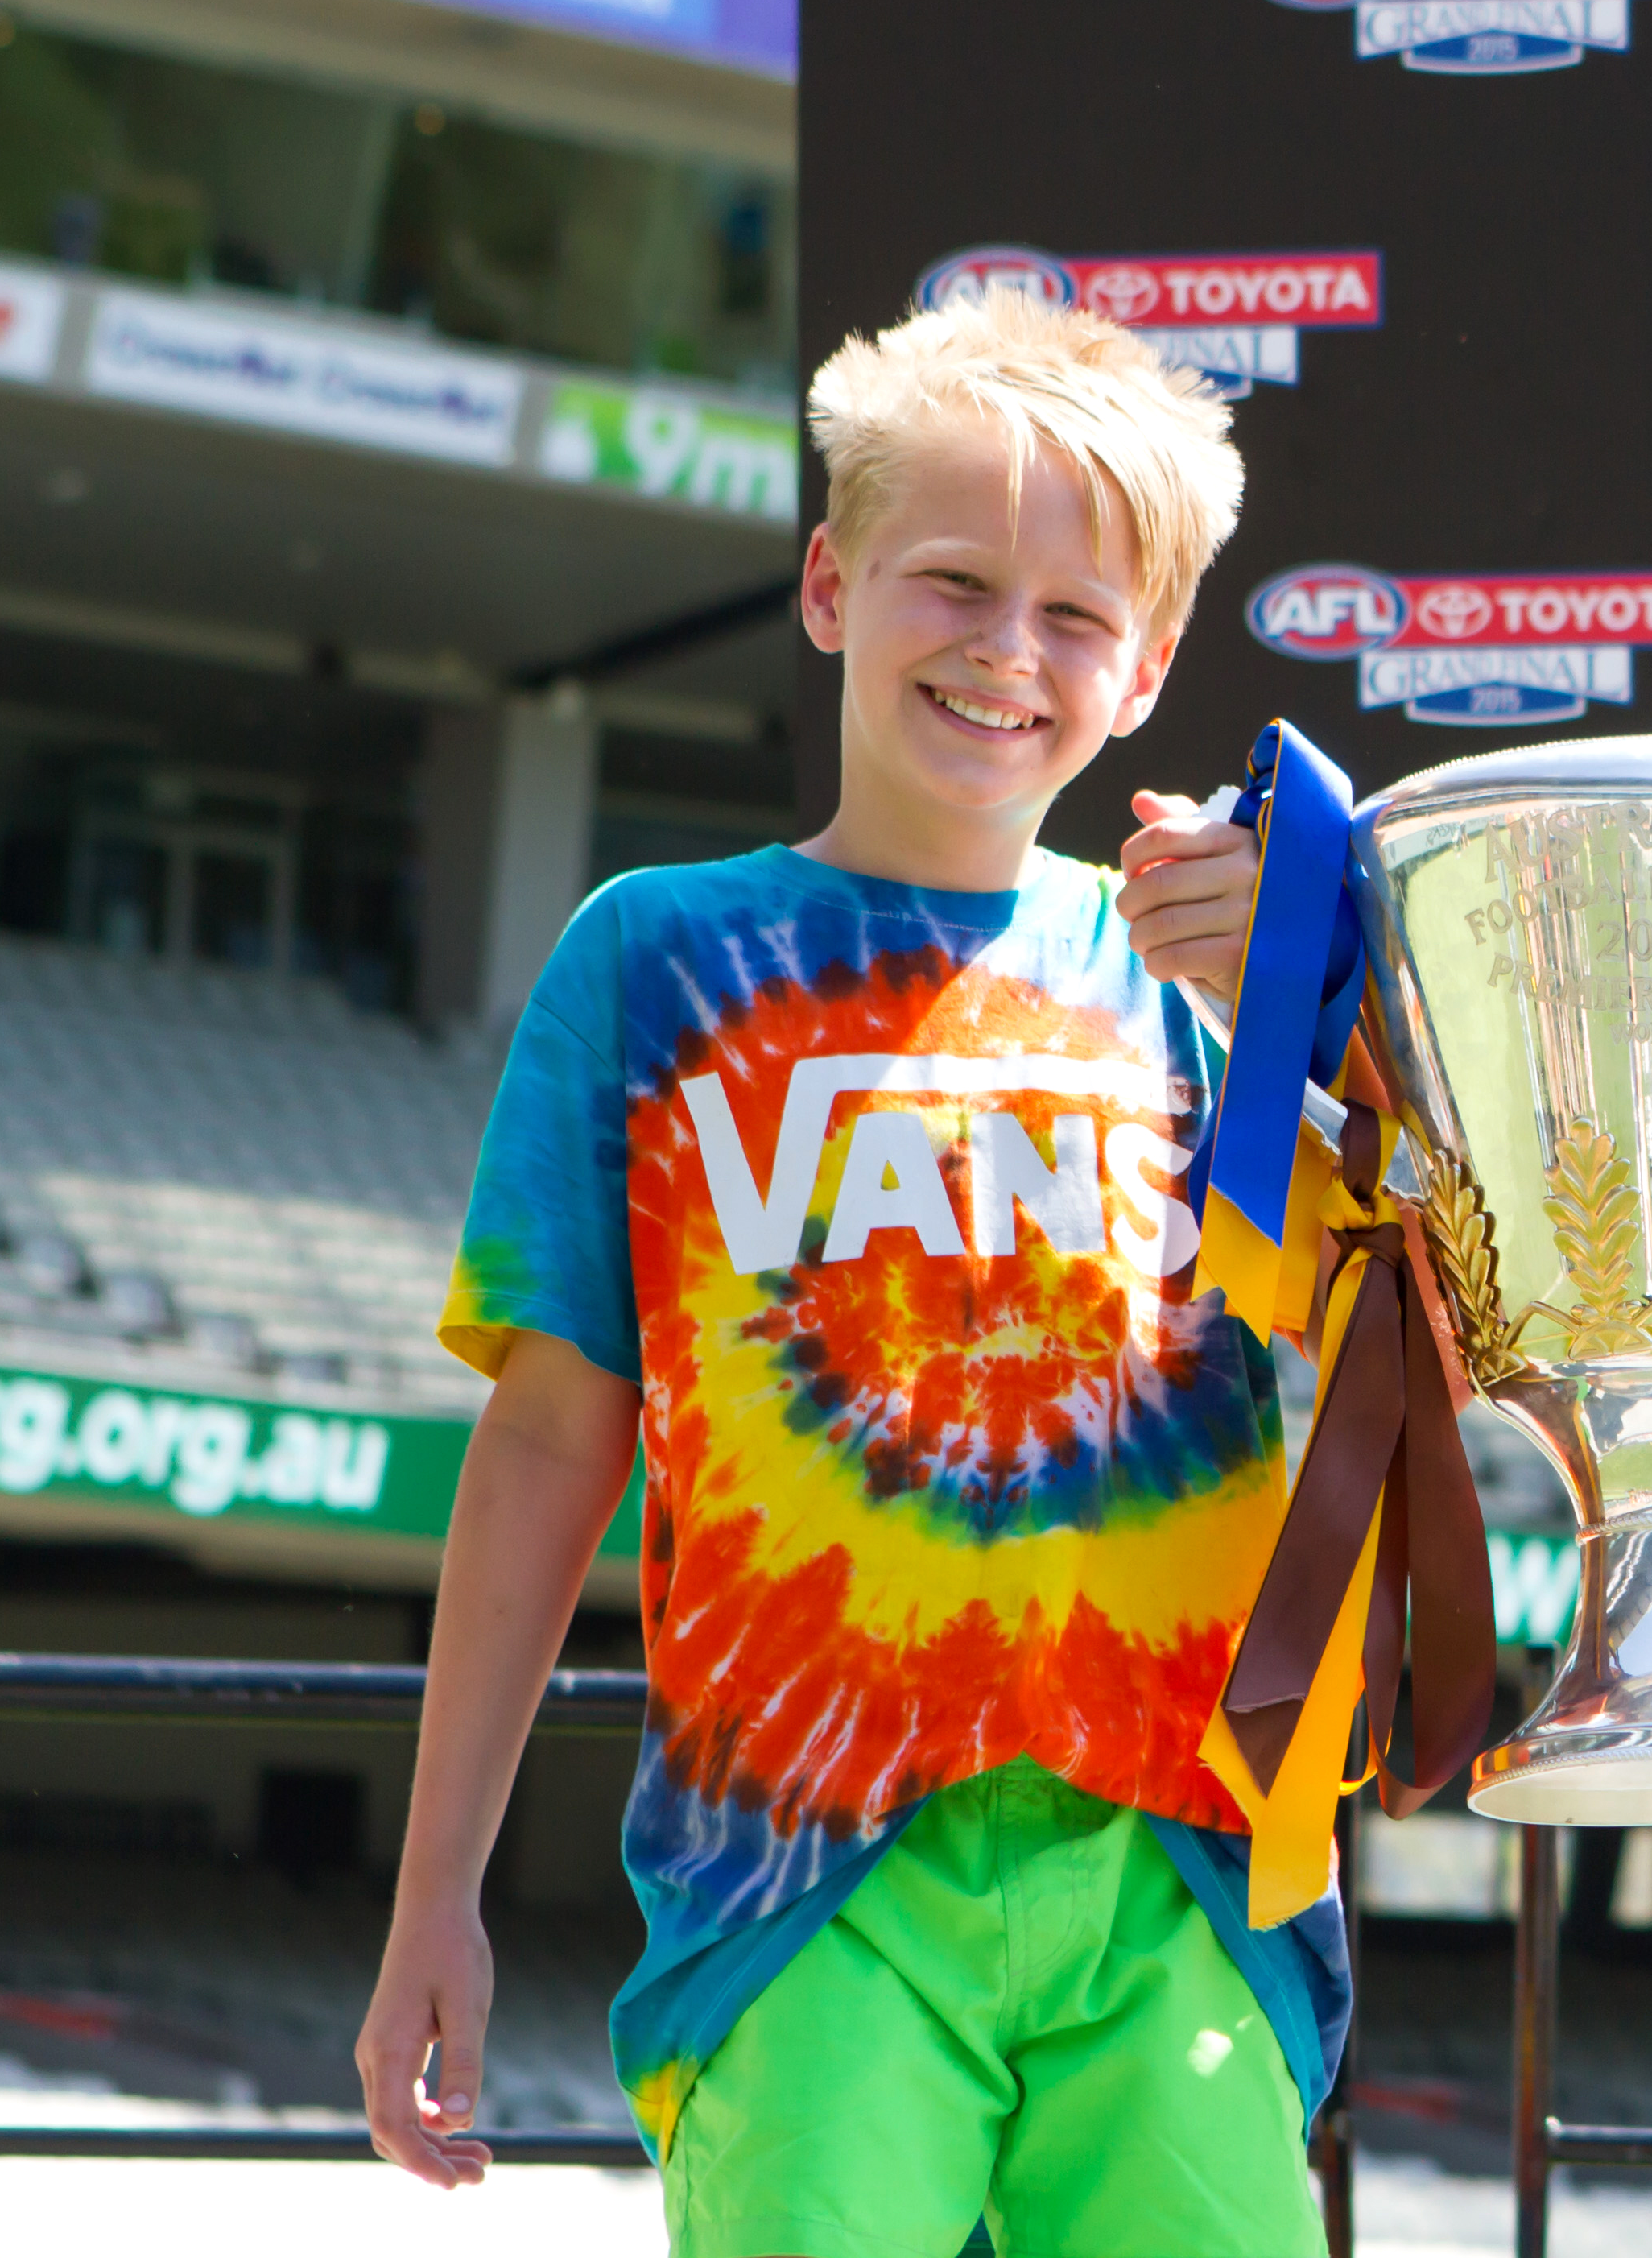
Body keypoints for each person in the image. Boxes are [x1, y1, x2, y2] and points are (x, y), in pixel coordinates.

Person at [354, 287, 1327, 2258]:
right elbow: (550, 1445)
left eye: (1075, 617)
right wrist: (432, 1890)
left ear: (1144, 672)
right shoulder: (651, 960)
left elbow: (1394, 1346)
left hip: (1190, 1875)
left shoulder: (1224, 983)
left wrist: (1307, 1032)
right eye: (953, 582)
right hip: (792, 1886)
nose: (1005, 650)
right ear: (829, 585)